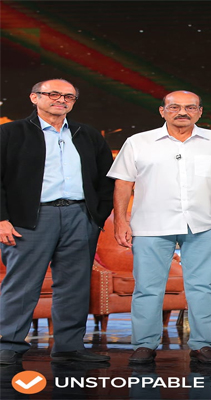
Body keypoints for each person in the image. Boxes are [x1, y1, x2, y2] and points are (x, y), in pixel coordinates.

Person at [108, 90, 211, 365]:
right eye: (175, 107)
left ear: (199, 112)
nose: (182, 112)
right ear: (162, 111)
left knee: (204, 286)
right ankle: (144, 345)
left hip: (206, 224)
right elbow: (123, 183)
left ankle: (203, 345)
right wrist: (121, 220)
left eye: (190, 107)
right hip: (151, 224)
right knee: (147, 287)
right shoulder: (138, 142)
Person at [0, 79, 114, 364]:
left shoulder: (87, 135)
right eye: (53, 94)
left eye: (68, 96)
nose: (61, 100)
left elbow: (106, 179)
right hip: (30, 219)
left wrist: (97, 217)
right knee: (22, 284)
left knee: (74, 285)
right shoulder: (10, 133)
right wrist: (1, 219)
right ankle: (8, 345)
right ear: (34, 97)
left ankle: (69, 348)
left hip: (80, 217)